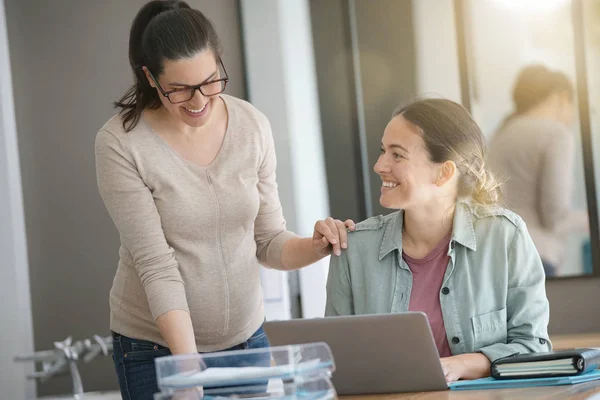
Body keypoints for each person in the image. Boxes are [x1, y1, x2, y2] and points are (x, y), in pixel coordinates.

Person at [95, 1, 353, 398]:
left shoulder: (251, 125)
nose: (198, 101)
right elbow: (156, 265)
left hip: (246, 343)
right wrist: (187, 374)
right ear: (150, 77)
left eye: (210, 82)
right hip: (155, 351)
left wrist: (315, 246)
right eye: (179, 90)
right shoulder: (122, 145)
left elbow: (268, 241)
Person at [325, 98, 551, 383]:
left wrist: (462, 365)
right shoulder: (353, 248)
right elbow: (335, 361)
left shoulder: (504, 236)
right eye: (383, 151)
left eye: (397, 155)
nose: (379, 165)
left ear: (444, 172)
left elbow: (533, 346)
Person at [488, 65, 589, 277]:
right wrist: (590, 219)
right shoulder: (556, 134)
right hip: (535, 254)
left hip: (495, 254)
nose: (571, 119)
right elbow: (554, 215)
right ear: (562, 98)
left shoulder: (500, 134)